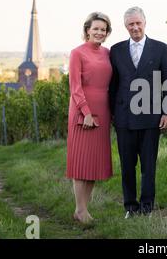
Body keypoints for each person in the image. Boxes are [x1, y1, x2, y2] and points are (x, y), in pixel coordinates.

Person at [110, 6, 167, 218]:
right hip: (124, 118)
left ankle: (147, 208)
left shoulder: (160, 48)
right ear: (126, 26)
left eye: (138, 23)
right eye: (131, 24)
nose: (135, 27)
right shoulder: (116, 50)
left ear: (145, 23)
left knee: (148, 166)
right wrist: (112, 114)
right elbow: (113, 84)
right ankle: (130, 207)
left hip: (151, 117)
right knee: (127, 166)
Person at [66, 12, 113, 224]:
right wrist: (85, 112)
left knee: (94, 163)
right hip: (82, 111)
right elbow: (75, 86)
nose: (99, 32)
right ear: (87, 30)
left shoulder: (107, 53)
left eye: (103, 29)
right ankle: (80, 209)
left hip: (103, 111)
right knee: (81, 162)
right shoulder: (77, 53)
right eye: (96, 28)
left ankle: (84, 210)